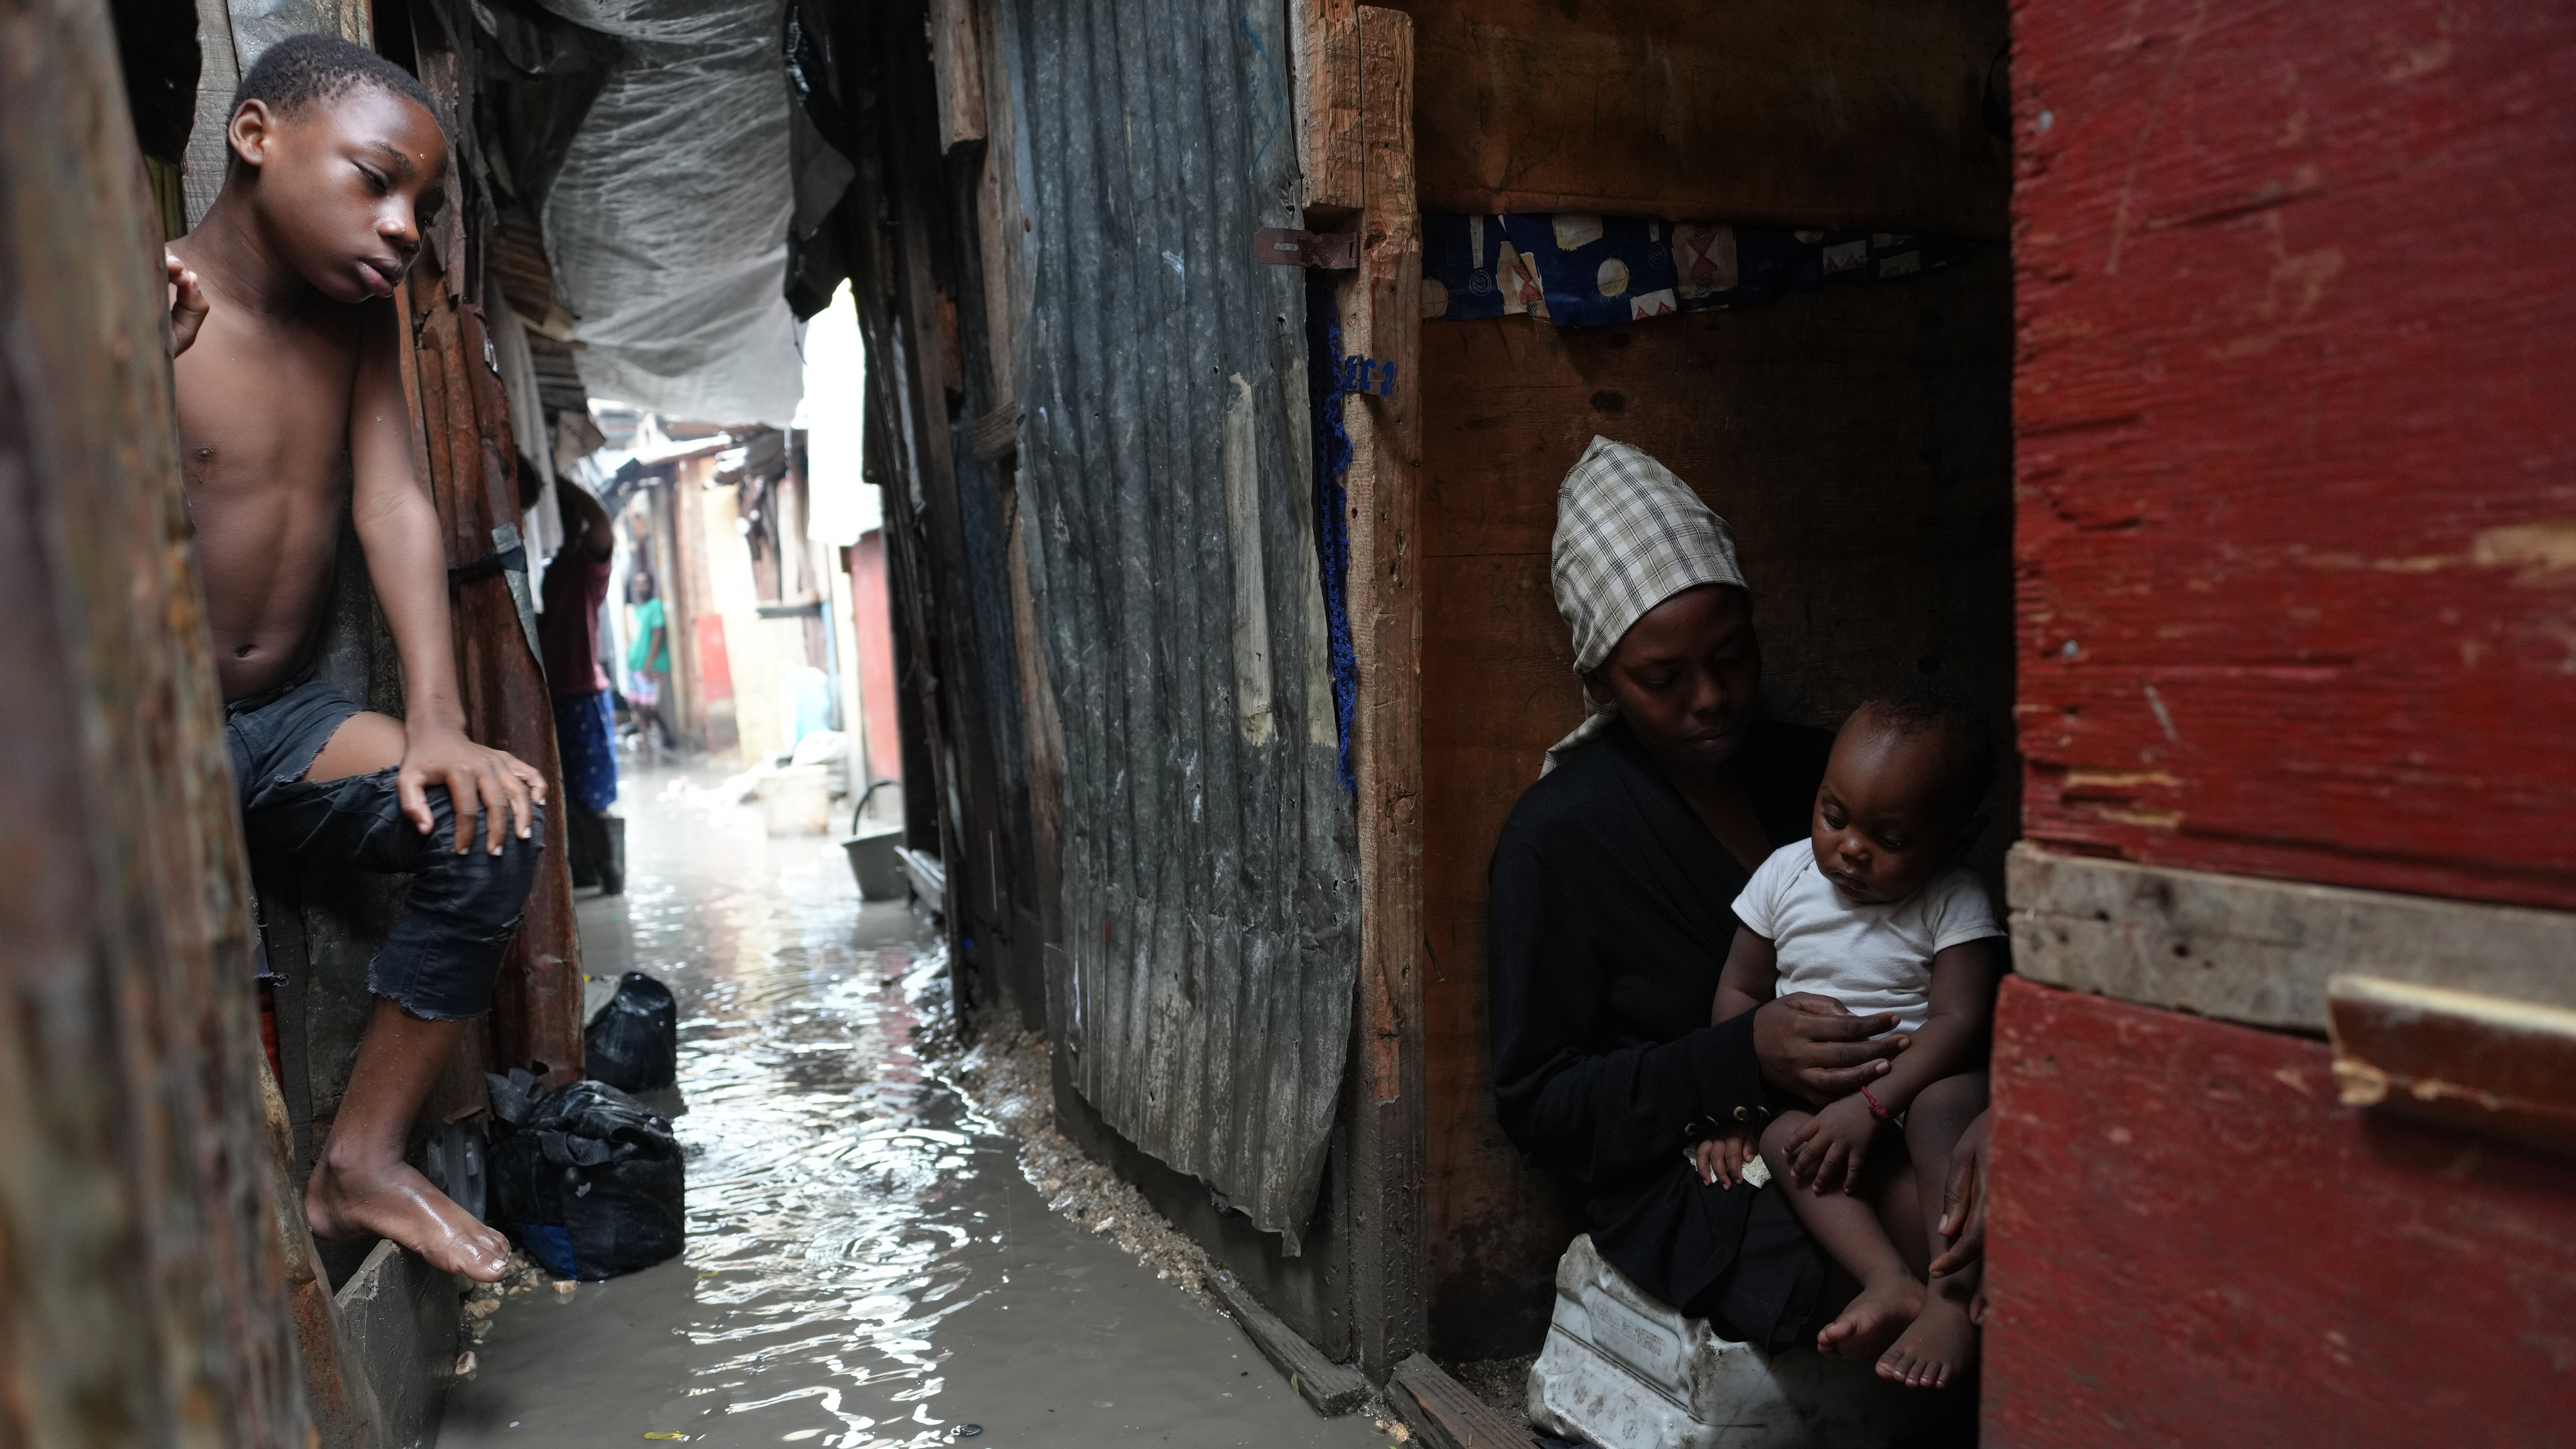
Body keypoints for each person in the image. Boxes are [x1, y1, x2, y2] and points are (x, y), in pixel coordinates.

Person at [167, 34, 541, 1282]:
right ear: (256, 133)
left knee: (489, 822)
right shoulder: (143, 302)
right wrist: (119, 376)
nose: (401, 228)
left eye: (423, 206)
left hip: (274, 725)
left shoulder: (359, 323)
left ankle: (359, 1162)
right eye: (375, 180)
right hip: (120, 751)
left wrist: (434, 716)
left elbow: (393, 503)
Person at [1489, 437, 1927, 1354]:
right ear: (1599, 678)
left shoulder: (1825, 781)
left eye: (1733, 656)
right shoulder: (1561, 837)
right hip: (1705, 1176)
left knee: (1985, 1192)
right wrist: (1739, 1057)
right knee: (1933, 1234)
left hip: (1899, 1107)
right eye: (1663, 679)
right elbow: (1539, 1102)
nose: (1712, 698)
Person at [1699, 681, 2003, 1388]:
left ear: (1959, 836)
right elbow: (1738, 991)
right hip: (1823, 1106)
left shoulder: (1953, 896)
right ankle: (1889, 1282)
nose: (1852, 849)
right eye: (1834, 815)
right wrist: (1738, 1099)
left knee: (1944, 1109)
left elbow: (1962, 1019)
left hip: (1917, 1091)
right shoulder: (1784, 874)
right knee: (1783, 1140)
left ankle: (1951, 1298)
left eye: (1890, 838)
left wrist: (1875, 1107)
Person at [540, 484, 620, 892]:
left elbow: (604, 528)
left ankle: (608, 872)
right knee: (570, 791)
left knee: (592, 793)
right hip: (559, 694)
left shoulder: (587, 566)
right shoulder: (555, 569)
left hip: (583, 693)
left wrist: (563, 481)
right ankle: (589, 870)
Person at [625, 569, 672, 756]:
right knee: (637, 707)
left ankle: (665, 732)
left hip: (648, 666)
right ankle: (646, 747)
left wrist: (649, 663)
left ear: (651, 585)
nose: (640, 587)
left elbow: (658, 633)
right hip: (634, 665)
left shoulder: (655, 606)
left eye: (644, 583)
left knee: (647, 706)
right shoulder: (638, 610)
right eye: (637, 583)